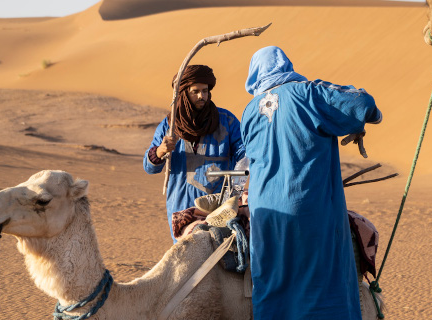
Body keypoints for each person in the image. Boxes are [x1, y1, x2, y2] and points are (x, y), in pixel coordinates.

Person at [240, 46, 383, 319]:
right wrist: (367, 119)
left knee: (271, 281)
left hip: (265, 214)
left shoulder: (248, 112)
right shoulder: (308, 93)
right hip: (308, 206)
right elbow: (362, 103)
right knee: (322, 280)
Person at [143, 65, 246, 243]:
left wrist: (235, 192)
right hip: (182, 209)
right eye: (195, 91)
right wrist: (160, 151)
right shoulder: (169, 125)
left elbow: (244, 156)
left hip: (219, 209)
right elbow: (149, 167)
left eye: (205, 91)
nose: (202, 96)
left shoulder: (226, 120)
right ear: (184, 93)